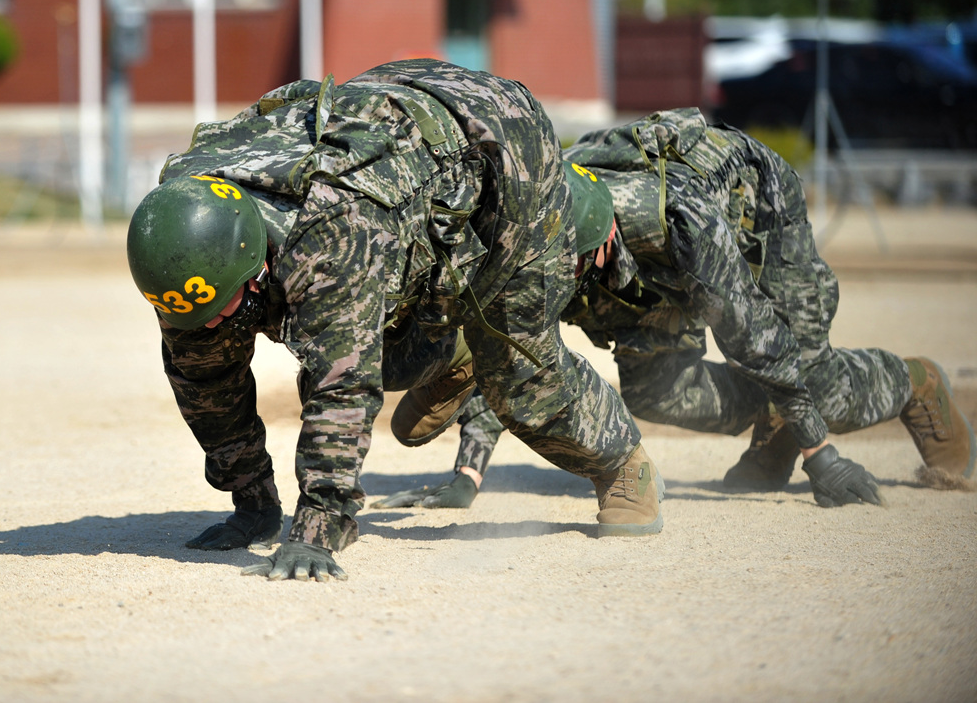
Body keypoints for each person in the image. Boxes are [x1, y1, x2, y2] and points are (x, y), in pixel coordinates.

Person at [126, 60, 663, 583]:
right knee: (228, 348)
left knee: (516, 365)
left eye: (225, 303)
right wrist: (253, 506)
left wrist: (316, 528)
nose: (215, 320)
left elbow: (342, 388)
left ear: (256, 256)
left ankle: (621, 465)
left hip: (500, 141)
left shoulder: (330, 234)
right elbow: (205, 382)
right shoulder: (182, 239)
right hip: (397, 139)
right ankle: (452, 357)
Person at [378, 110, 975, 510]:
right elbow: (509, 348)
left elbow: (754, 334)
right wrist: (468, 478)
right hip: (652, 278)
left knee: (812, 383)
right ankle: (777, 425)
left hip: (752, 218)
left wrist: (823, 455)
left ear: (605, 238)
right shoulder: (540, 228)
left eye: (578, 265)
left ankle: (916, 384)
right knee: (658, 394)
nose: (566, 277)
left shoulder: (679, 218)